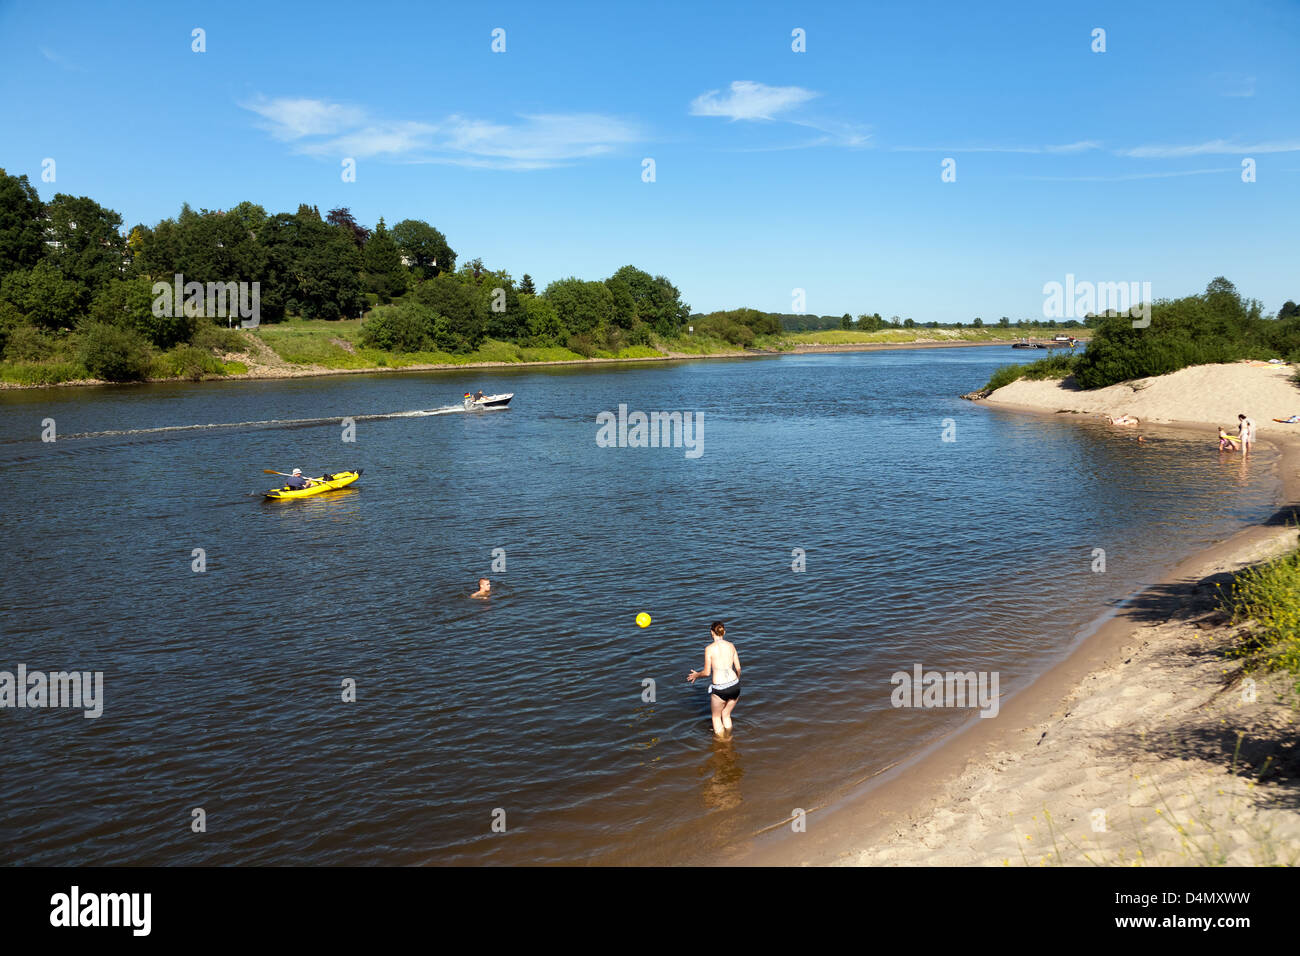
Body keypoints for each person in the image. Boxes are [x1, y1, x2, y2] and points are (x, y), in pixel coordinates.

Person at [687, 621, 742, 737]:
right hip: (735, 685)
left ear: (712, 633)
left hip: (720, 688)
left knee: (716, 717)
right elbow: (738, 668)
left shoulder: (709, 649)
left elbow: (707, 673)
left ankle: (722, 744)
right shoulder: (731, 645)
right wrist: (735, 682)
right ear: (724, 632)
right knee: (726, 715)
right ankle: (730, 738)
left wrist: (696, 675)